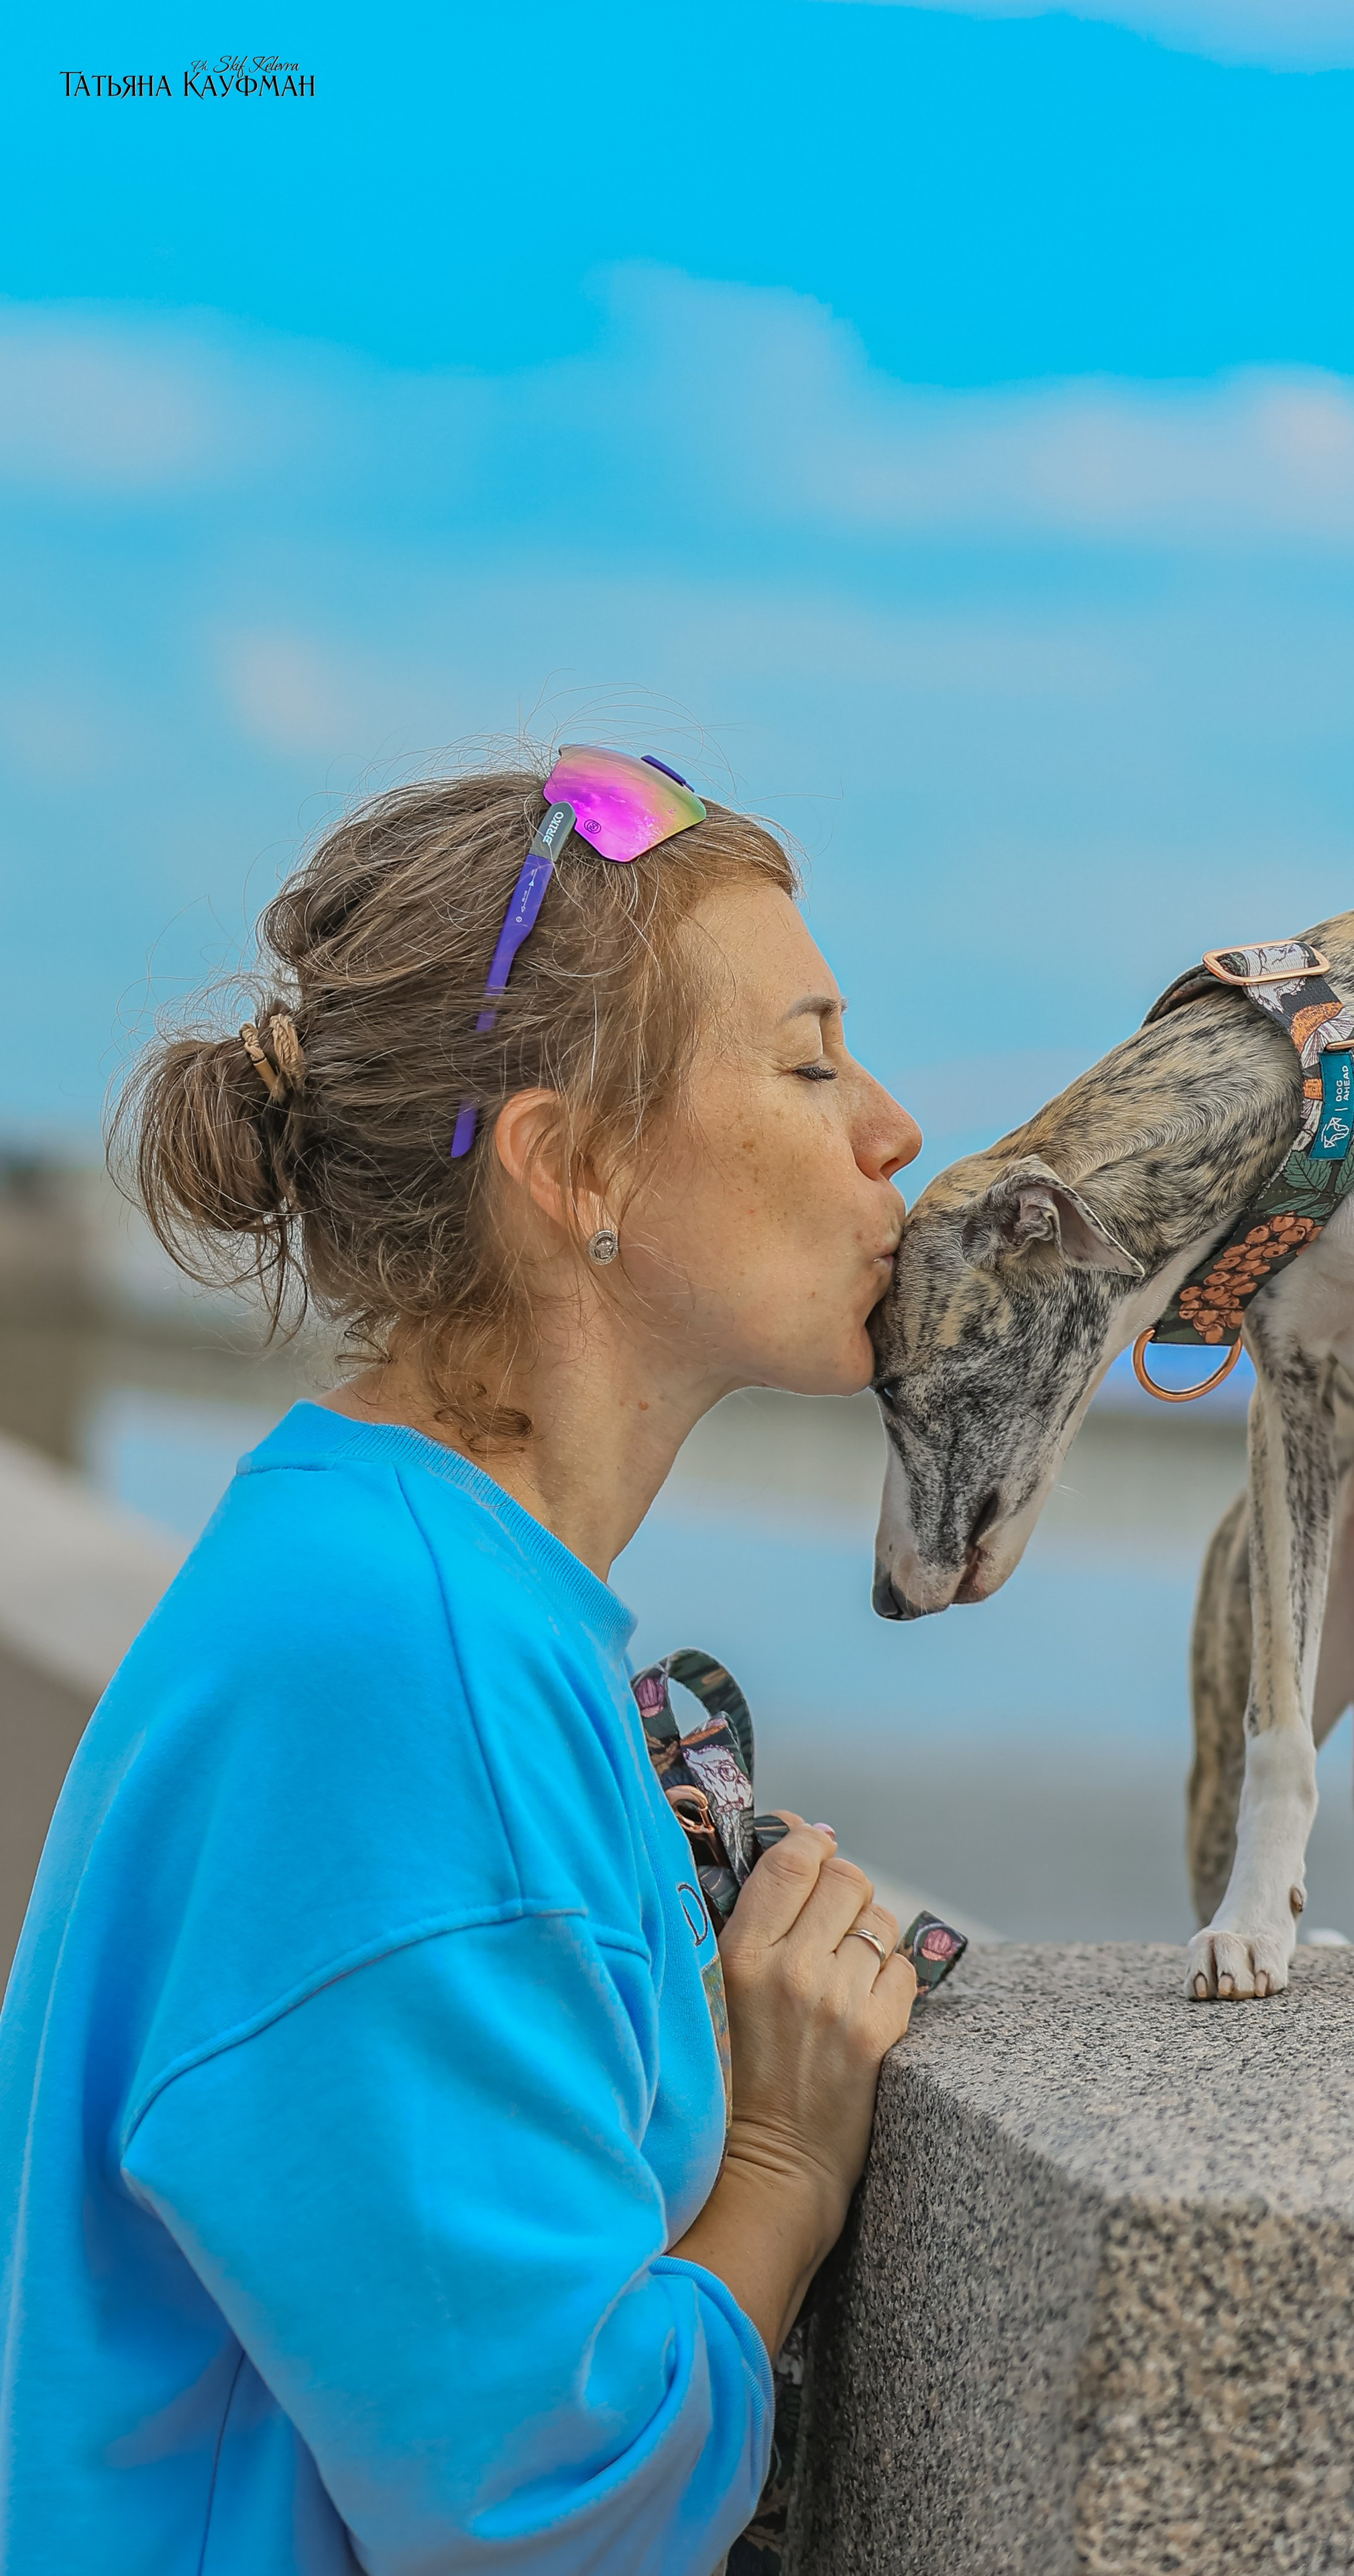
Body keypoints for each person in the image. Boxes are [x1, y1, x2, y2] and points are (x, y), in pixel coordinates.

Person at [0, 749, 924, 2574]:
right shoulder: (403, 1663)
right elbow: (550, 2509)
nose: (888, 1126)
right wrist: (785, 2169)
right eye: (809, 1060)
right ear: (569, 1161)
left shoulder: (391, 1570)